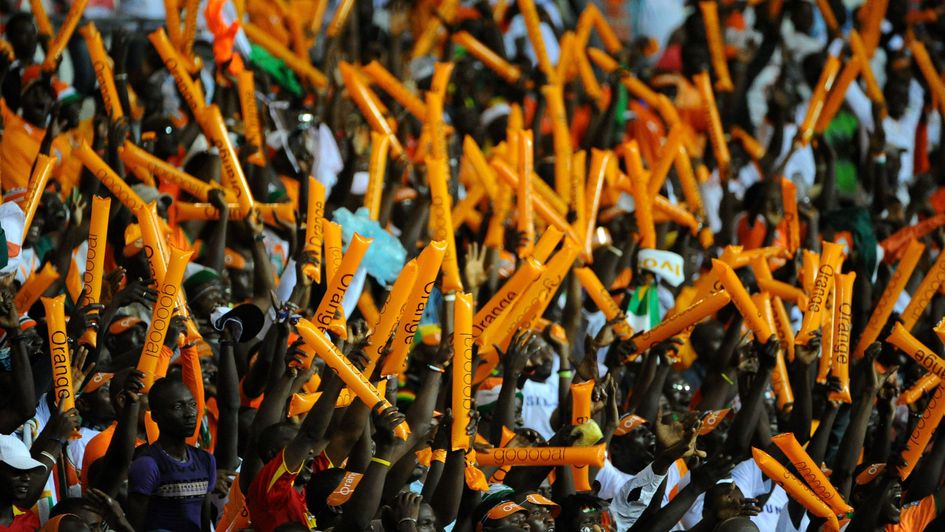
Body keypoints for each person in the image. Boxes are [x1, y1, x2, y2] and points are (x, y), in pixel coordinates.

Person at [126, 378, 216, 532]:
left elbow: (204, 522)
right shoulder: (147, 465)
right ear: (156, 416)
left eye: (192, 405)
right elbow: (135, 527)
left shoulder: (205, 460)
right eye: (178, 406)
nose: (190, 413)